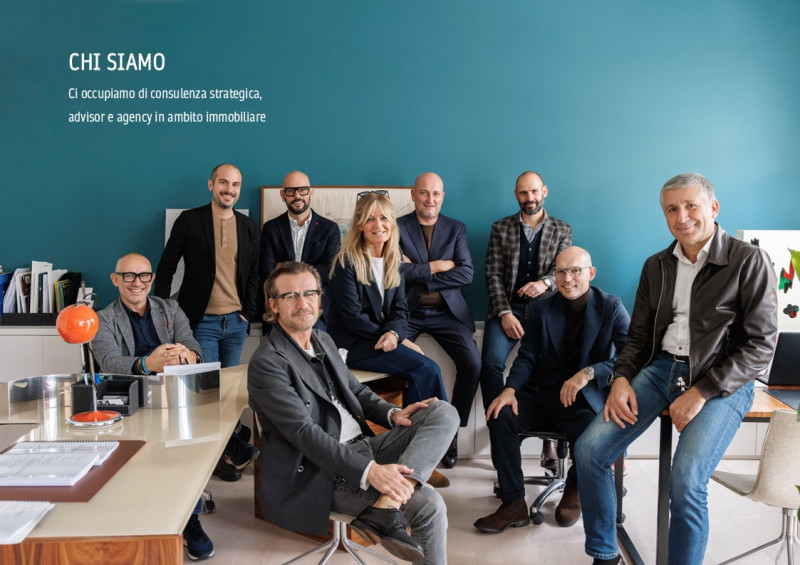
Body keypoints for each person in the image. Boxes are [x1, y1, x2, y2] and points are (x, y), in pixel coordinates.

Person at [576, 173, 778, 565]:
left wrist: (702, 391)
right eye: (671, 209)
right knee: (589, 450)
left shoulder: (748, 260)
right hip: (660, 368)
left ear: (713, 208)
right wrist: (621, 378)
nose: (681, 217)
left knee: (685, 482)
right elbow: (637, 337)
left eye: (690, 206)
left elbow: (760, 346)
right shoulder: (656, 266)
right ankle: (604, 554)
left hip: (721, 379)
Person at [248, 261, 459, 564]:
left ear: (319, 298)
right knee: (429, 504)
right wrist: (371, 471)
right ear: (273, 305)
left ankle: (386, 507)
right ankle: (385, 509)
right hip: (320, 471)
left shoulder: (322, 339)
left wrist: (392, 415)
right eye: (290, 296)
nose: (303, 303)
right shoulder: (267, 362)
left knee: (442, 412)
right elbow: (305, 435)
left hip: (364, 446)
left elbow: (355, 391)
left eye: (309, 293)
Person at [474, 246, 630, 534]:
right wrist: (510, 389)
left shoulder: (611, 306)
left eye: (575, 271)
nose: (567, 279)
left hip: (583, 400)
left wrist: (589, 373)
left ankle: (575, 488)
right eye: (561, 272)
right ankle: (513, 503)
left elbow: (628, 355)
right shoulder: (542, 307)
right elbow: (528, 355)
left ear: (591, 273)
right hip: (541, 395)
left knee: (593, 434)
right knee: (500, 414)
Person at [91, 253, 213, 561]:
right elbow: (109, 362)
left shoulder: (170, 308)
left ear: (152, 279)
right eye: (128, 276)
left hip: (174, 395)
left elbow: (193, 347)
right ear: (115, 279)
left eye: (144, 275)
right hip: (130, 399)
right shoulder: (102, 318)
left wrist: (185, 357)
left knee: (188, 449)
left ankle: (189, 519)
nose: (137, 282)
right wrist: (147, 364)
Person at [154, 162, 259, 482]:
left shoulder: (249, 226)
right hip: (200, 323)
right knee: (207, 395)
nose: (230, 189)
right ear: (211, 185)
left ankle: (227, 447)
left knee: (229, 395)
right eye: (223, 183)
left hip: (236, 323)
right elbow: (167, 266)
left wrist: (248, 312)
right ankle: (222, 456)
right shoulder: (190, 220)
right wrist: (163, 313)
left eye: (236, 184)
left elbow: (256, 273)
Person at [481, 171, 572, 470]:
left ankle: (549, 442)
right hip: (506, 309)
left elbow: (563, 271)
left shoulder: (562, 229)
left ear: (544, 191)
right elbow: (493, 274)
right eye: (523, 193)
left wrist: (545, 283)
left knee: (550, 367)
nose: (529, 198)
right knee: (490, 365)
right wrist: (505, 313)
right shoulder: (500, 228)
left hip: (546, 312)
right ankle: (501, 436)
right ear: (516, 195)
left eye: (534, 191)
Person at [327, 190, 448, 409]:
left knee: (427, 368)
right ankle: (428, 427)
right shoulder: (346, 263)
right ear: (360, 225)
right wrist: (396, 338)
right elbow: (354, 318)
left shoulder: (394, 260)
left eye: (384, 218)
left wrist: (395, 334)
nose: (378, 225)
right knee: (426, 369)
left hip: (382, 340)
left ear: (392, 222)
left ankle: (426, 426)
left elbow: (400, 309)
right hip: (355, 345)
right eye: (370, 219)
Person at [398, 172, 480, 468]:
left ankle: (451, 432)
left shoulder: (456, 228)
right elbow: (394, 271)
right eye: (424, 193)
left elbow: (466, 273)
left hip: (448, 314)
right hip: (407, 312)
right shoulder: (397, 226)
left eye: (435, 194)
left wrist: (418, 272)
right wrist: (436, 266)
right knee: (391, 359)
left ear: (442, 197)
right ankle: (406, 434)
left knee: (473, 364)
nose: (429, 199)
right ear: (413, 194)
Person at [258, 170, 340, 332]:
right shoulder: (271, 228)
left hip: (315, 312)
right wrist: (312, 268)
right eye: (291, 191)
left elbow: (330, 271)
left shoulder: (329, 229)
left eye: (303, 190)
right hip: (280, 311)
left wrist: (284, 267)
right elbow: (266, 271)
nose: (297, 196)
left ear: (311, 192)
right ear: (283, 195)